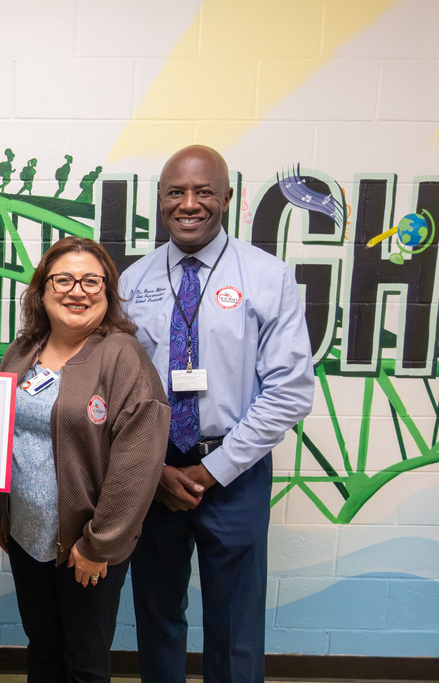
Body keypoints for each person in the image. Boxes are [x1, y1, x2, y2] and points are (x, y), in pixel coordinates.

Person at [121, 145, 315, 683]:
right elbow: (116, 392)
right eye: (176, 192)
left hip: (234, 472)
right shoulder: (131, 284)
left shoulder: (267, 277)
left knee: (235, 623)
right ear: (159, 200)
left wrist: (214, 469)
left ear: (228, 197)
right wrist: (153, 470)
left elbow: (291, 389)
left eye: (203, 191)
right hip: (153, 475)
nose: (189, 204)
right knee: (156, 615)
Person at [0, 236, 170, 683]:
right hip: (27, 538)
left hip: (85, 548)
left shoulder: (122, 356)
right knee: (43, 651)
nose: (78, 291)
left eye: (92, 281)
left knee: (84, 661)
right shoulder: (23, 351)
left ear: (107, 292)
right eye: (64, 279)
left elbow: (138, 462)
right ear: (42, 291)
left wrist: (98, 544)